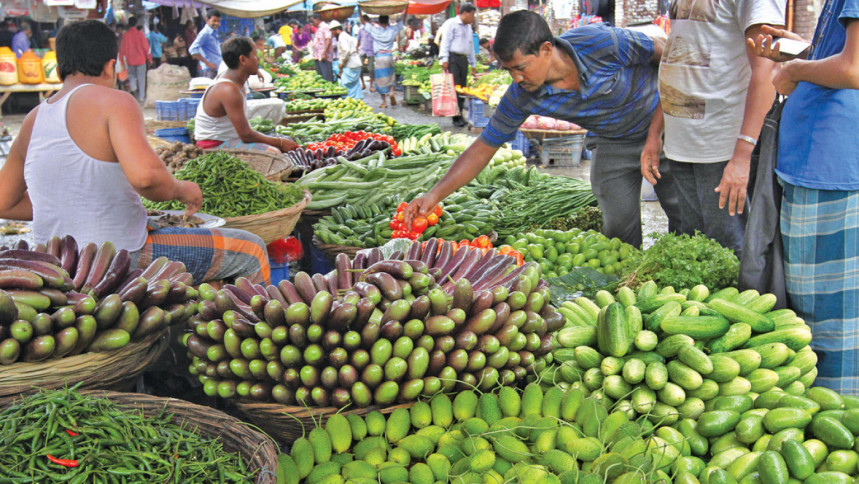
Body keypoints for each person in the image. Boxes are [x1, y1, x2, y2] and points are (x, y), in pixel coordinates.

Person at [0, 20, 271, 285]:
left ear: (60, 72)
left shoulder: (32, 119)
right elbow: (146, 178)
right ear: (111, 66)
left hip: (53, 261)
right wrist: (182, 189)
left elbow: (5, 202)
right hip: (120, 257)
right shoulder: (115, 102)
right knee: (252, 250)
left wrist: (69, 205)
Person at [404, 10, 682, 250]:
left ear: (547, 50)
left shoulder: (601, 43)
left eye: (520, 67)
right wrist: (433, 195)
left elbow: (671, 58)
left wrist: (655, 134)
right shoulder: (521, 95)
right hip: (611, 143)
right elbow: (482, 149)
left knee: (683, 213)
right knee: (618, 228)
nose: (516, 78)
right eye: (509, 70)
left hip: (665, 127)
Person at [748, 0, 859, 394]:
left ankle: (840, 419)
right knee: (813, 308)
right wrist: (803, 50)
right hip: (817, 164)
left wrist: (795, 70)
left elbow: (853, 68)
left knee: (836, 322)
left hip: (834, 168)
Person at [642, 0, 784, 258]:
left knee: (729, 250)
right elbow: (679, 60)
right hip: (682, 143)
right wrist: (655, 134)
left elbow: (768, 70)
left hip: (723, 144)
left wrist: (742, 157)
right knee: (694, 245)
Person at [195, 36, 298, 154]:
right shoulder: (228, 90)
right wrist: (279, 142)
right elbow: (246, 135)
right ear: (243, 60)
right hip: (214, 146)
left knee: (281, 140)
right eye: (255, 56)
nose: (258, 60)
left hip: (230, 139)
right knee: (273, 152)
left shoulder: (237, 78)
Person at [439, 4, 477, 127]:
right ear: (465, 13)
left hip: (463, 59)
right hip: (453, 58)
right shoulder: (451, 24)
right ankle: (456, 117)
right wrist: (444, 59)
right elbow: (445, 42)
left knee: (462, 88)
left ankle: (460, 114)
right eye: (472, 14)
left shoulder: (468, 28)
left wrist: (473, 64)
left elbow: (470, 47)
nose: (473, 17)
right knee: (455, 87)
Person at [366, 11, 408, 108]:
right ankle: (391, 92)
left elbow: (365, 22)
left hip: (380, 57)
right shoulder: (392, 29)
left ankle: (384, 101)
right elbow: (402, 21)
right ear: (388, 21)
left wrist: (359, 9)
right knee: (391, 76)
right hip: (389, 55)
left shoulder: (375, 30)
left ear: (379, 22)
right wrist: (406, 10)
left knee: (380, 79)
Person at [119, 17, 152, 103]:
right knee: (141, 78)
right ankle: (141, 97)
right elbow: (146, 48)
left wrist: (122, 60)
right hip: (141, 60)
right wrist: (149, 58)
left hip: (130, 60)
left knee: (132, 75)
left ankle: (133, 87)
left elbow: (122, 49)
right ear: (136, 24)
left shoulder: (125, 35)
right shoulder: (141, 35)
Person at [330, 21, 363, 100]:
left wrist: (341, 63)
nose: (332, 34)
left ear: (337, 30)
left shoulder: (342, 37)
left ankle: (350, 102)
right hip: (356, 62)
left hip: (350, 63)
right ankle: (357, 102)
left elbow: (346, 50)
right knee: (355, 85)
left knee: (346, 84)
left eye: (332, 32)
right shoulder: (346, 35)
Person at [190, 9, 223, 79]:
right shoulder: (205, 33)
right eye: (214, 21)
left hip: (217, 68)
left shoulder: (214, 32)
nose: (216, 23)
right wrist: (207, 63)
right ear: (207, 20)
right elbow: (192, 49)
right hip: (210, 70)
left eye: (218, 21)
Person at [310, 14, 335, 82]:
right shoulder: (319, 28)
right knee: (321, 76)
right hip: (318, 55)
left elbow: (328, 39)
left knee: (326, 76)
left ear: (317, 19)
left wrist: (324, 53)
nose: (312, 23)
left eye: (313, 21)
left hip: (324, 56)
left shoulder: (325, 27)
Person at [357, 15, 375, 91]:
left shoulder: (373, 30)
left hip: (371, 51)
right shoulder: (360, 30)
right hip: (362, 50)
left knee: (371, 69)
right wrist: (356, 49)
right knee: (360, 68)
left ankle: (371, 85)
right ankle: (363, 84)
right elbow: (358, 40)